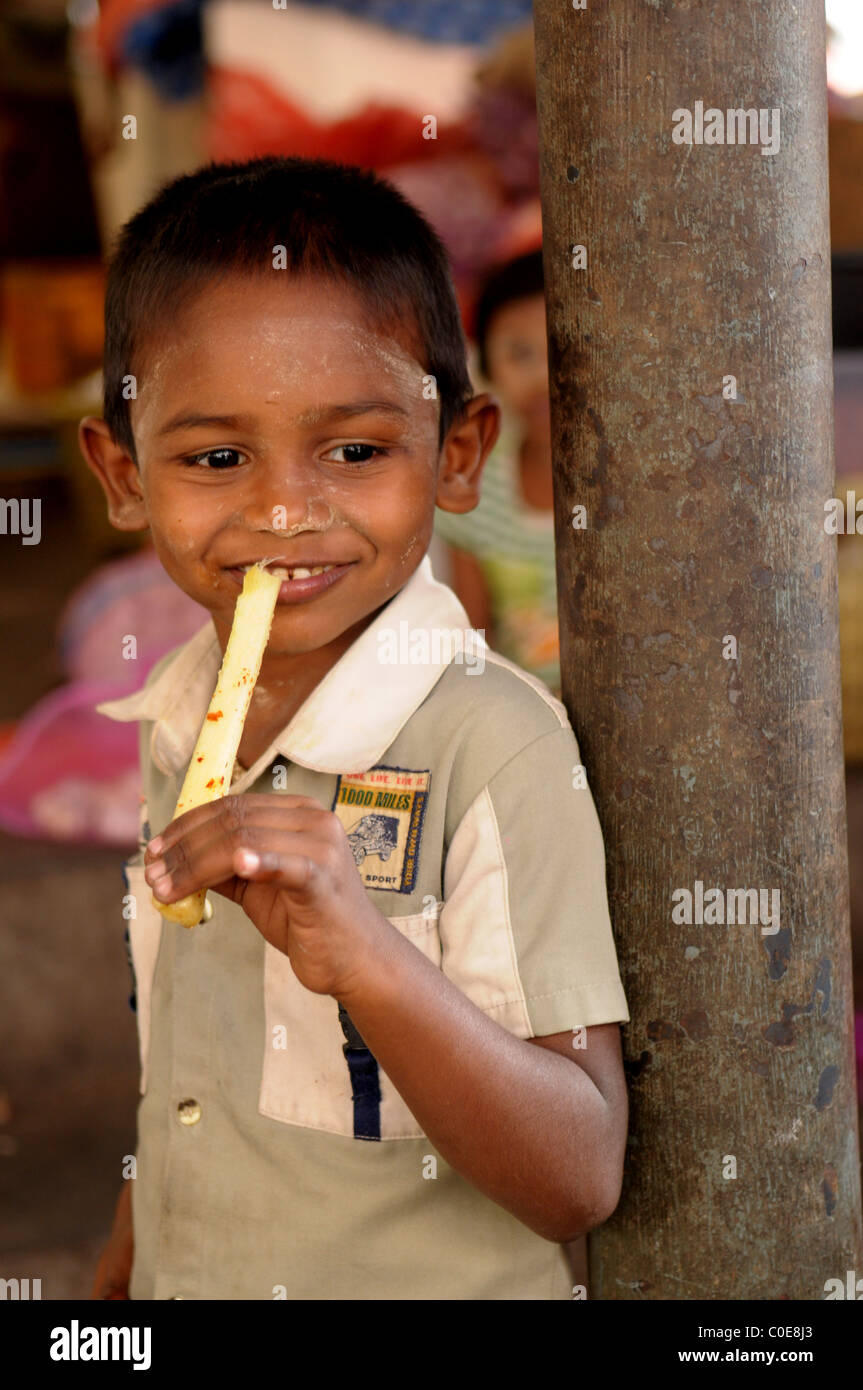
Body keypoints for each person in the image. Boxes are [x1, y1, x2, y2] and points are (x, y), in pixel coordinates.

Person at [81, 156, 629, 1301]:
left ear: (458, 454)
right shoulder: (178, 721)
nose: (285, 512)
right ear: (123, 475)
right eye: (216, 457)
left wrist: (366, 959)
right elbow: (188, 1067)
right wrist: (123, 1274)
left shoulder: (498, 749)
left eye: (355, 450)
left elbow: (578, 1173)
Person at [434, 250, 561, 693]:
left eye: (564, 348)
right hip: (530, 710)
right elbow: (476, 641)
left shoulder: (647, 483)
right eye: (520, 354)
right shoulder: (476, 483)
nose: (544, 375)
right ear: (486, 363)